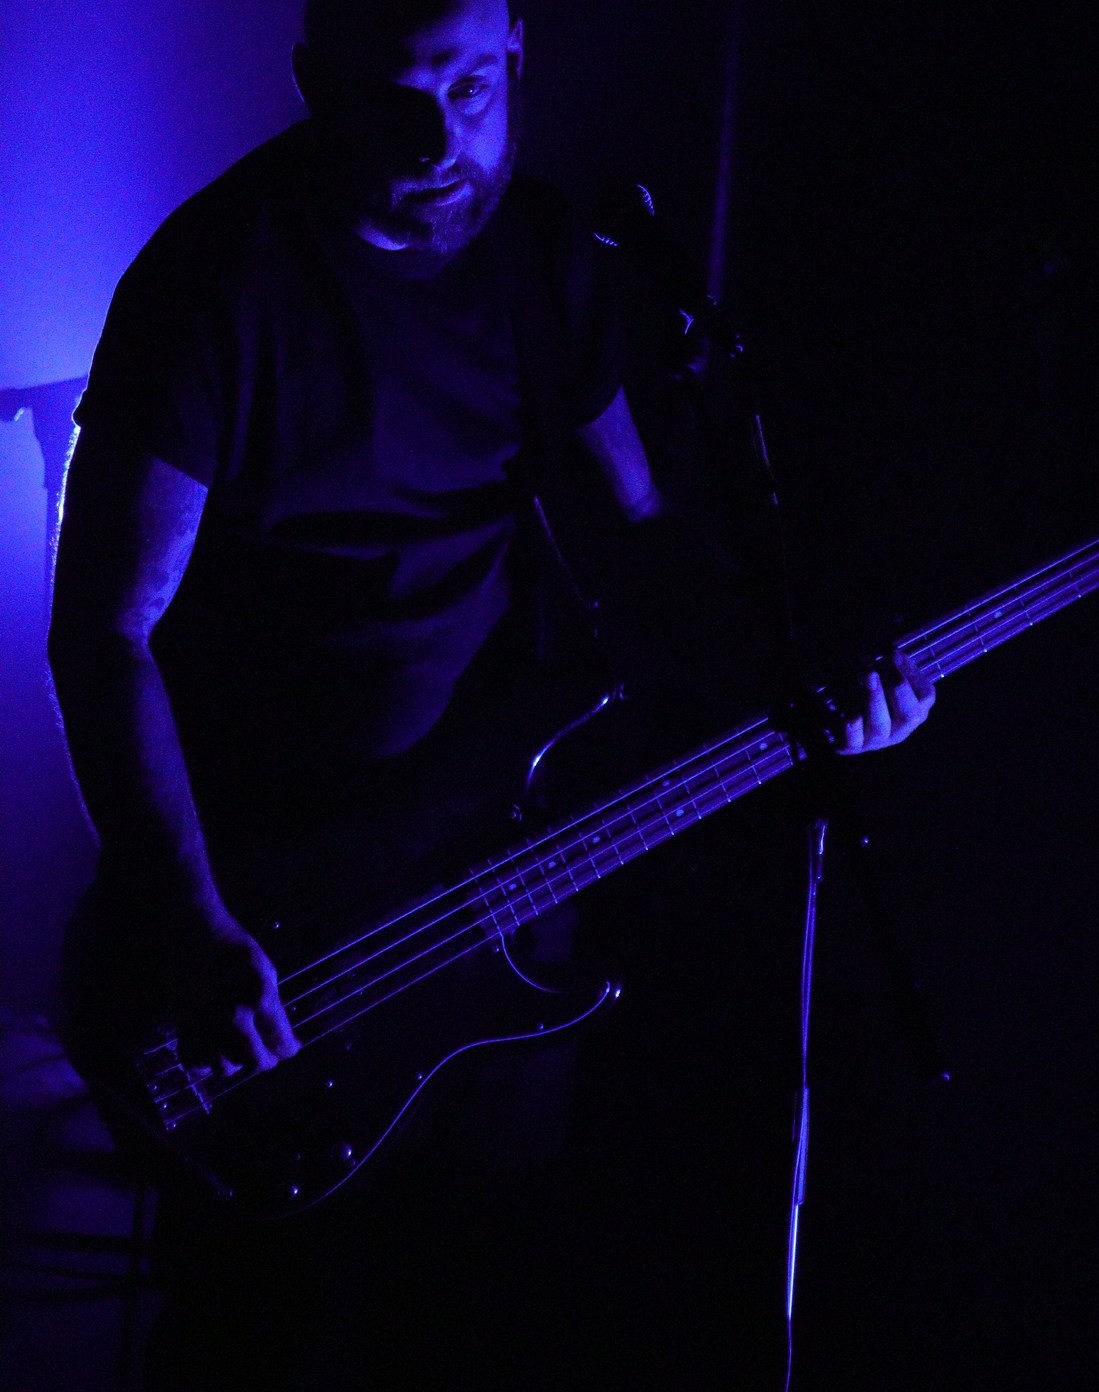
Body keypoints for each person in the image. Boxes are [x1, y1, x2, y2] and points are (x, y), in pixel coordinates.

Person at [48, 0, 936, 1385]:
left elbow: (639, 542)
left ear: (518, 58)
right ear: (315, 84)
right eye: (398, 97)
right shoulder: (212, 284)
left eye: (472, 89)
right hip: (271, 903)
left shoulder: (543, 261)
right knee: (273, 1328)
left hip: (485, 860)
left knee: (482, 1289)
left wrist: (809, 678)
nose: (439, 140)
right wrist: (193, 918)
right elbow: (104, 635)